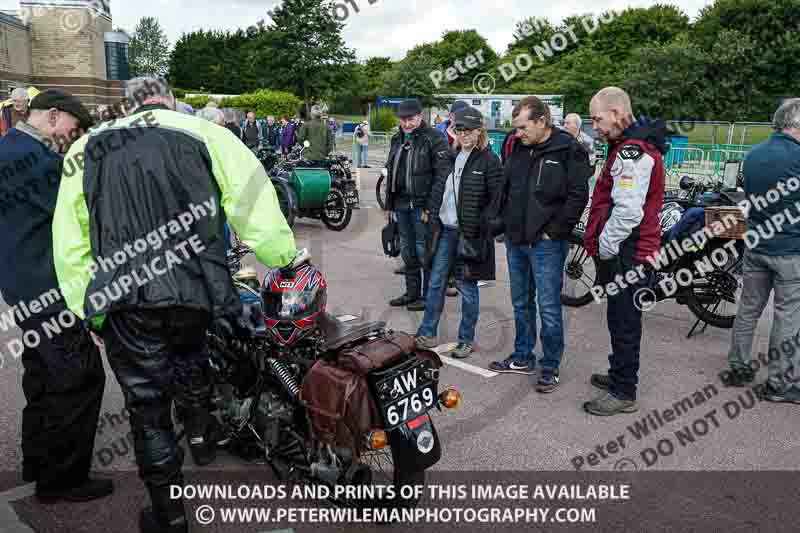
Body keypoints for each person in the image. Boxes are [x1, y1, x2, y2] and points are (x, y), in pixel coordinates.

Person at [53, 75, 297, 533]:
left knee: (146, 408)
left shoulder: (85, 151)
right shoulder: (207, 134)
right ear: (168, 99)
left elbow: (71, 241)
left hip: (126, 297)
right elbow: (254, 201)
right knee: (191, 363)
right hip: (195, 290)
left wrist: (89, 306)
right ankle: (203, 438)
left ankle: (169, 515)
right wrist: (281, 257)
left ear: (128, 106)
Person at [0, 89, 112, 503]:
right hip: (47, 287)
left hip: (22, 283)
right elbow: (80, 218)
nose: (74, 136)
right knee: (79, 377)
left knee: (42, 375)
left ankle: (38, 460)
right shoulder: (39, 162)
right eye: (73, 128)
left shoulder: (9, 146)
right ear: (53, 116)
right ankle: (63, 480)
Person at [488, 96, 591, 394]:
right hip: (516, 239)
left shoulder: (569, 150)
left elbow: (577, 196)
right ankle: (522, 356)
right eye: (515, 128)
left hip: (546, 244)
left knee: (547, 306)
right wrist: (501, 224)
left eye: (522, 127)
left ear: (541, 121)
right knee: (520, 302)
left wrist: (554, 231)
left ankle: (550, 365)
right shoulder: (519, 148)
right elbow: (507, 189)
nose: (517, 133)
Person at [582, 87, 667, 415]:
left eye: (598, 118)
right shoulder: (627, 146)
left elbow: (629, 211)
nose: (596, 127)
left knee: (625, 321)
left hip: (628, 253)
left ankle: (623, 391)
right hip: (628, 250)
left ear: (617, 112)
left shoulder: (633, 151)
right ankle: (619, 374)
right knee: (619, 319)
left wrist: (605, 246)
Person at [721, 98, 800, 403]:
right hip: (791, 250)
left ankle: (739, 366)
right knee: (787, 316)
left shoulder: (753, 155)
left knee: (748, 309)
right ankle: (779, 383)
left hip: (756, 243)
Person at [415, 106, 503, 358]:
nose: (463, 134)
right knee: (435, 282)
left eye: (469, 130)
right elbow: (438, 189)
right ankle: (428, 331)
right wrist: (431, 213)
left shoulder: (489, 160)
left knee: (468, 287)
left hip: (470, 234)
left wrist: (482, 226)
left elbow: (496, 200)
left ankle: (466, 339)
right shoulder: (448, 156)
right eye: (459, 129)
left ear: (479, 131)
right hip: (444, 230)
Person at [383, 98, 451, 311]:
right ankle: (412, 293)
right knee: (407, 251)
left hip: (422, 207)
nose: (407, 124)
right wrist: (389, 205)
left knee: (426, 253)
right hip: (401, 204)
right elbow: (391, 170)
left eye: (410, 119)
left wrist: (431, 208)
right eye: (403, 120)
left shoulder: (435, 138)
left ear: (420, 116)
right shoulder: (397, 138)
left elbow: (442, 176)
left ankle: (427, 296)